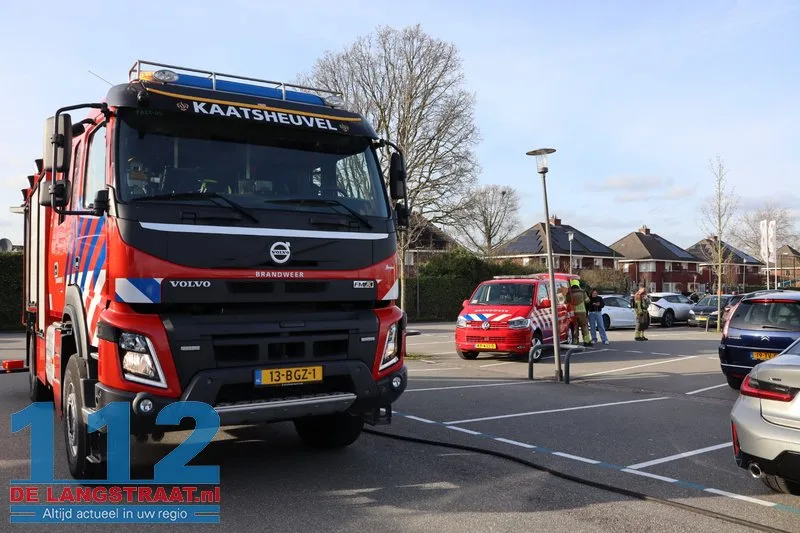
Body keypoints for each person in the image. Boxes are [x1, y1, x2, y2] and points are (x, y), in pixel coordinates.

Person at [566, 279, 592, 346]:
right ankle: (586, 341)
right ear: (578, 285)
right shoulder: (582, 292)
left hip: (573, 313)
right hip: (582, 312)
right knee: (584, 327)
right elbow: (587, 301)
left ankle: (575, 341)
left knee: (575, 327)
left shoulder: (569, 294)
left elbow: (566, 301)